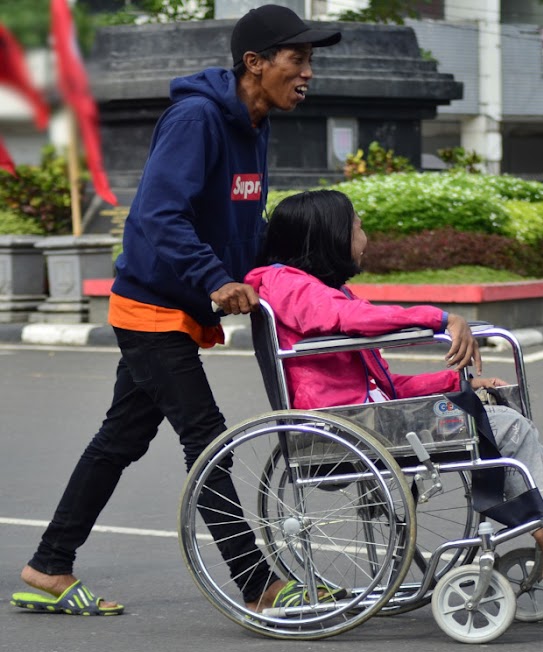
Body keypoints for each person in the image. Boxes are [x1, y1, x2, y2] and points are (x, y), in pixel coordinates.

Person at [10, 5, 341, 616]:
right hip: (150, 306)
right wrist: (215, 279)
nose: (308, 73)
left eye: (310, 61)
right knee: (206, 437)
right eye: (298, 59)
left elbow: (239, 220)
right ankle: (260, 583)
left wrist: (284, 268)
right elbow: (158, 215)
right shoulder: (197, 119)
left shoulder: (255, 122)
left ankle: (49, 565)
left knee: (119, 440)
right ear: (255, 63)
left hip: (177, 308)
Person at [243, 190, 543, 586]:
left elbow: (384, 384)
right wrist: (440, 318)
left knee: (503, 419)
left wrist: (457, 382)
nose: (365, 237)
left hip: (365, 416)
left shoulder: (324, 289)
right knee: (505, 427)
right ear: (328, 235)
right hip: (341, 429)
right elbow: (352, 321)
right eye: (357, 226)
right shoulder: (286, 283)